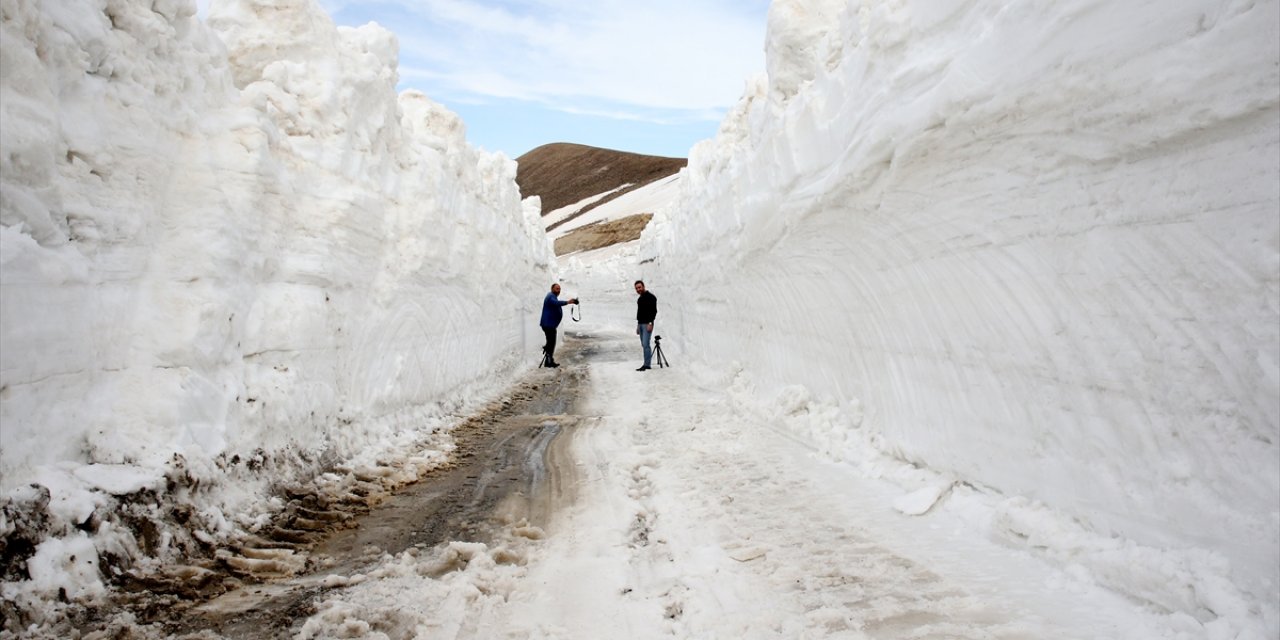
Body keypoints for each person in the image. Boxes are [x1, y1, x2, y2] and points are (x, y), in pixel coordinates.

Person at [539, 283, 577, 368]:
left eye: (559, 289)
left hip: (549, 325)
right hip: (548, 325)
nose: (558, 290)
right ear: (552, 289)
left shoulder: (552, 296)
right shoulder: (550, 296)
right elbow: (555, 303)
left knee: (551, 342)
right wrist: (568, 302)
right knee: (551, 343)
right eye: (557, 288)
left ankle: (548, 356)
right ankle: (548, 362)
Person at [634, 280, 657, 371]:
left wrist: (651, 323)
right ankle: (646, 363)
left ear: (643, 286)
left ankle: (647, 365)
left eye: (639, 287)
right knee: (644, 345)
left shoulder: (651, 297)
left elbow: (653, 311)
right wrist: (638, 326)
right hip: (641, 324)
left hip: (648, 324)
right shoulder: (639, 299)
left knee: (646, 344)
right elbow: (639, 313)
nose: (638, 289)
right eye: (636, 288)